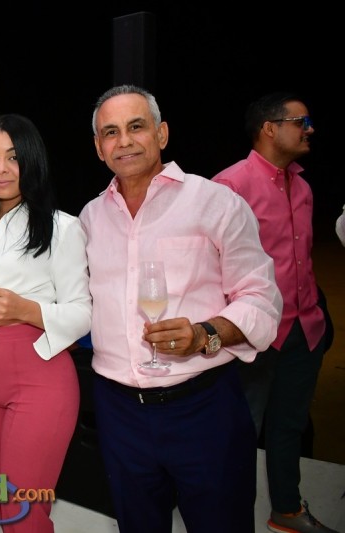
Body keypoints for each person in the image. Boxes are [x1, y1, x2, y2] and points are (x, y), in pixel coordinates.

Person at [78, 84, 283, 533]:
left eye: (136, 126)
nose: (124, 141)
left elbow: (262, 300)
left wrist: (205, 334)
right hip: (118, 413)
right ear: (98, 148)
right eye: (110, 132)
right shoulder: (90, 219)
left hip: (203, 409)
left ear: (162, 134)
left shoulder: (215, 203)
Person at [0, 114, 92, 532]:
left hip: (40, 380)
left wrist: (23, 310)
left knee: (24, 514)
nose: (0, 169)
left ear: (31, 160)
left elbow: (83, 313)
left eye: (12, 157)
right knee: (5, 509)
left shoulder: (61, 227)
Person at [212, 92, 338, 533]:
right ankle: (227, 520)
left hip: (304, 330)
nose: (309, 129)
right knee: (239, 434)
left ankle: (286, 510)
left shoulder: (302, 186)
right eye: (301, 122)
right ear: (269, 128)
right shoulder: (229, 187)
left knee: (288, 427)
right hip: (253, 336)